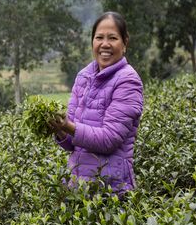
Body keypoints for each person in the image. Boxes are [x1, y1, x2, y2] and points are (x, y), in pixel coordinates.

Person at [49, 11, 143, 195]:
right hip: (78, 188)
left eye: (113, 38)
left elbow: (108, 140)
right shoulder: (83, 76)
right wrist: (59, 129)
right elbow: (72, 144)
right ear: (92, 41)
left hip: (112, 191)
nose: (105, 44)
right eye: (99, 37)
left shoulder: (128, 81)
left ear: (125, 43)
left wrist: (68, 126)